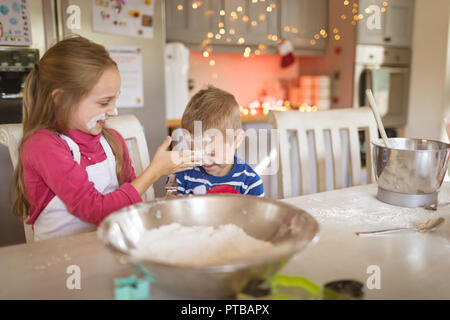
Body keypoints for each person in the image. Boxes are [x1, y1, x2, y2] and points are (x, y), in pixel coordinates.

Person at [13, 36, 199, 241]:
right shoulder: (43, 146)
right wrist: (154, 171)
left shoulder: (113, 141)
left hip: (108, 250)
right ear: (60, 99)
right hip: (60, 263)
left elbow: (131, 205)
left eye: (115, 99)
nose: (113, 111)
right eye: (104, 103)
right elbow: (96, 211)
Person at [173, 86, 264, 197]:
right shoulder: (183, 175)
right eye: (196, 151)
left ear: (237, 140)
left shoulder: (250, 183)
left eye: (212, 153)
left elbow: (255, 214)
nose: (204, 161)